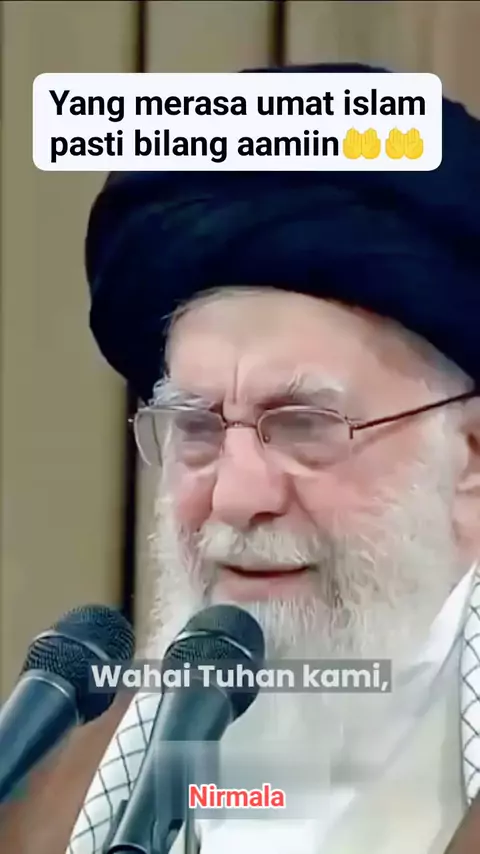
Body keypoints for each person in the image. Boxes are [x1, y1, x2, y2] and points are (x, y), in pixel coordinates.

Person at [3, 62, 480, 854]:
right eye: (196, 426)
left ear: (469, 458)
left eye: (303, 425)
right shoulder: (52, 797)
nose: (233, 496)